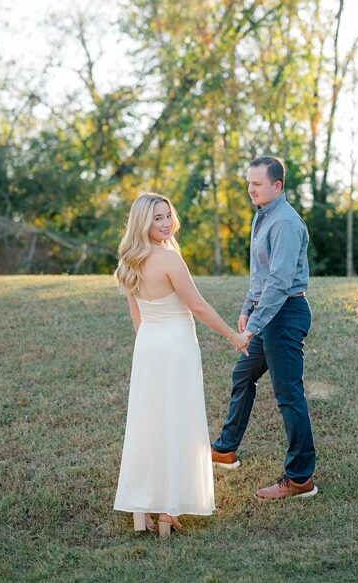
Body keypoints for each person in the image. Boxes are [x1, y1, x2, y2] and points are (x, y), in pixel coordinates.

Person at [113, 193, 251, 537]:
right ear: (142, 222)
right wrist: (233, 338)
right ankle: (167, 510)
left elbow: (138, 319)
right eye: (157, 218)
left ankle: (141, 509)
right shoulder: (170, 260)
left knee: (148, 425)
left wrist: (148, 349)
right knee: (175, 423)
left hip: (147, 349)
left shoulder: (128, 263)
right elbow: (198, 307)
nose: (164, 223)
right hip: (175, 348)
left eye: (167, 216)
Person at [210, 156, 318, 499]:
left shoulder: (284, 222)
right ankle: (225, 450)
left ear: (277, 186)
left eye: (256, 184)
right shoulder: (264, 216)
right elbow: (261, 275)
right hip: (267, 312)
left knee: (289, 395)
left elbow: (279, 282)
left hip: (284, 314)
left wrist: (252, 326)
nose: (250, 189)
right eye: (248, 183)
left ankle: (301, 478)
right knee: (244, 374)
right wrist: (247, 308)